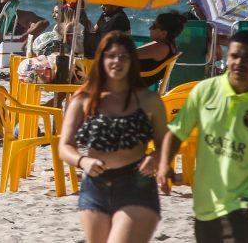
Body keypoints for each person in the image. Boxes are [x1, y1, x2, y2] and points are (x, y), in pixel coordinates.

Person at [157, 30, 248, 243]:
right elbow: (177, 131)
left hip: (242, 205)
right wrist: (164, 166)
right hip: (205, 203)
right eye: (234, 56)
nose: (239, 62)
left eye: (247, 57)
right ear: (226, 57)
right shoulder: (205, 91)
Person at [59, 31, 167, 243]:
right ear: (101, 59)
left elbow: (166, 143)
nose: (117, 61)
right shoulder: (83, 99)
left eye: (124, 56)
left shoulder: (149, 100)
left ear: (132, 61)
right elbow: (64, 146)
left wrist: (155, 158)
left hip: (137, 184)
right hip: (94, 186)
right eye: (111, 55)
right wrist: (83, 161)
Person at [136, 11, 187, 87]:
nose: (150, 28)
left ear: (163, 33)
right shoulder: (170, 46)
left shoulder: (160, 48)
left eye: (154, 26)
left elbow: (127, 53)